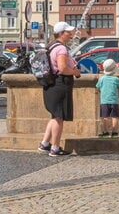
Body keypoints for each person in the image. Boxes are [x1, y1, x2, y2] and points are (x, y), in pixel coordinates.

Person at [38, 22, 81, 157]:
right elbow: (62, 68)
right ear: (61, 34)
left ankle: (45, 144)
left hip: (50, 84)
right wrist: (74, 72)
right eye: (68, 32)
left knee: (54, 115)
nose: (71, 35)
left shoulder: (51, 46)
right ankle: (55, 148)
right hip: (60, 84)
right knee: (59, 118)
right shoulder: (61, 49)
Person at [96, 59, 119, 138]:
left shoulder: (102, 79)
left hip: (104, 101)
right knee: (114, 117)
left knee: (105, 117)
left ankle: (105, 133)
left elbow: (97, 87)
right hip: (114, 102)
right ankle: (114, 133)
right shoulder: (116, 79)